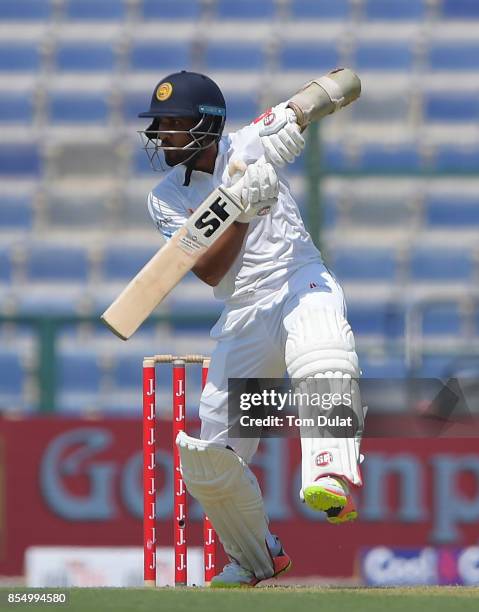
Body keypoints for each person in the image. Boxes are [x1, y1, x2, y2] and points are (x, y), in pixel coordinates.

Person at [138, 70, 363, 587]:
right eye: (159, 124)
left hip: (297, 277)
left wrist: (297, 116)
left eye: (171, 123)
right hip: (242, 310)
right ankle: (257, 556)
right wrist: (240, 210)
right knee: (211, 458)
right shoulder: (166, 198)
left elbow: (345, 84)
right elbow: (209, 271)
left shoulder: (250, 142)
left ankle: (328, 472)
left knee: (321, 340)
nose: (159, 135)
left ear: (205, 125)